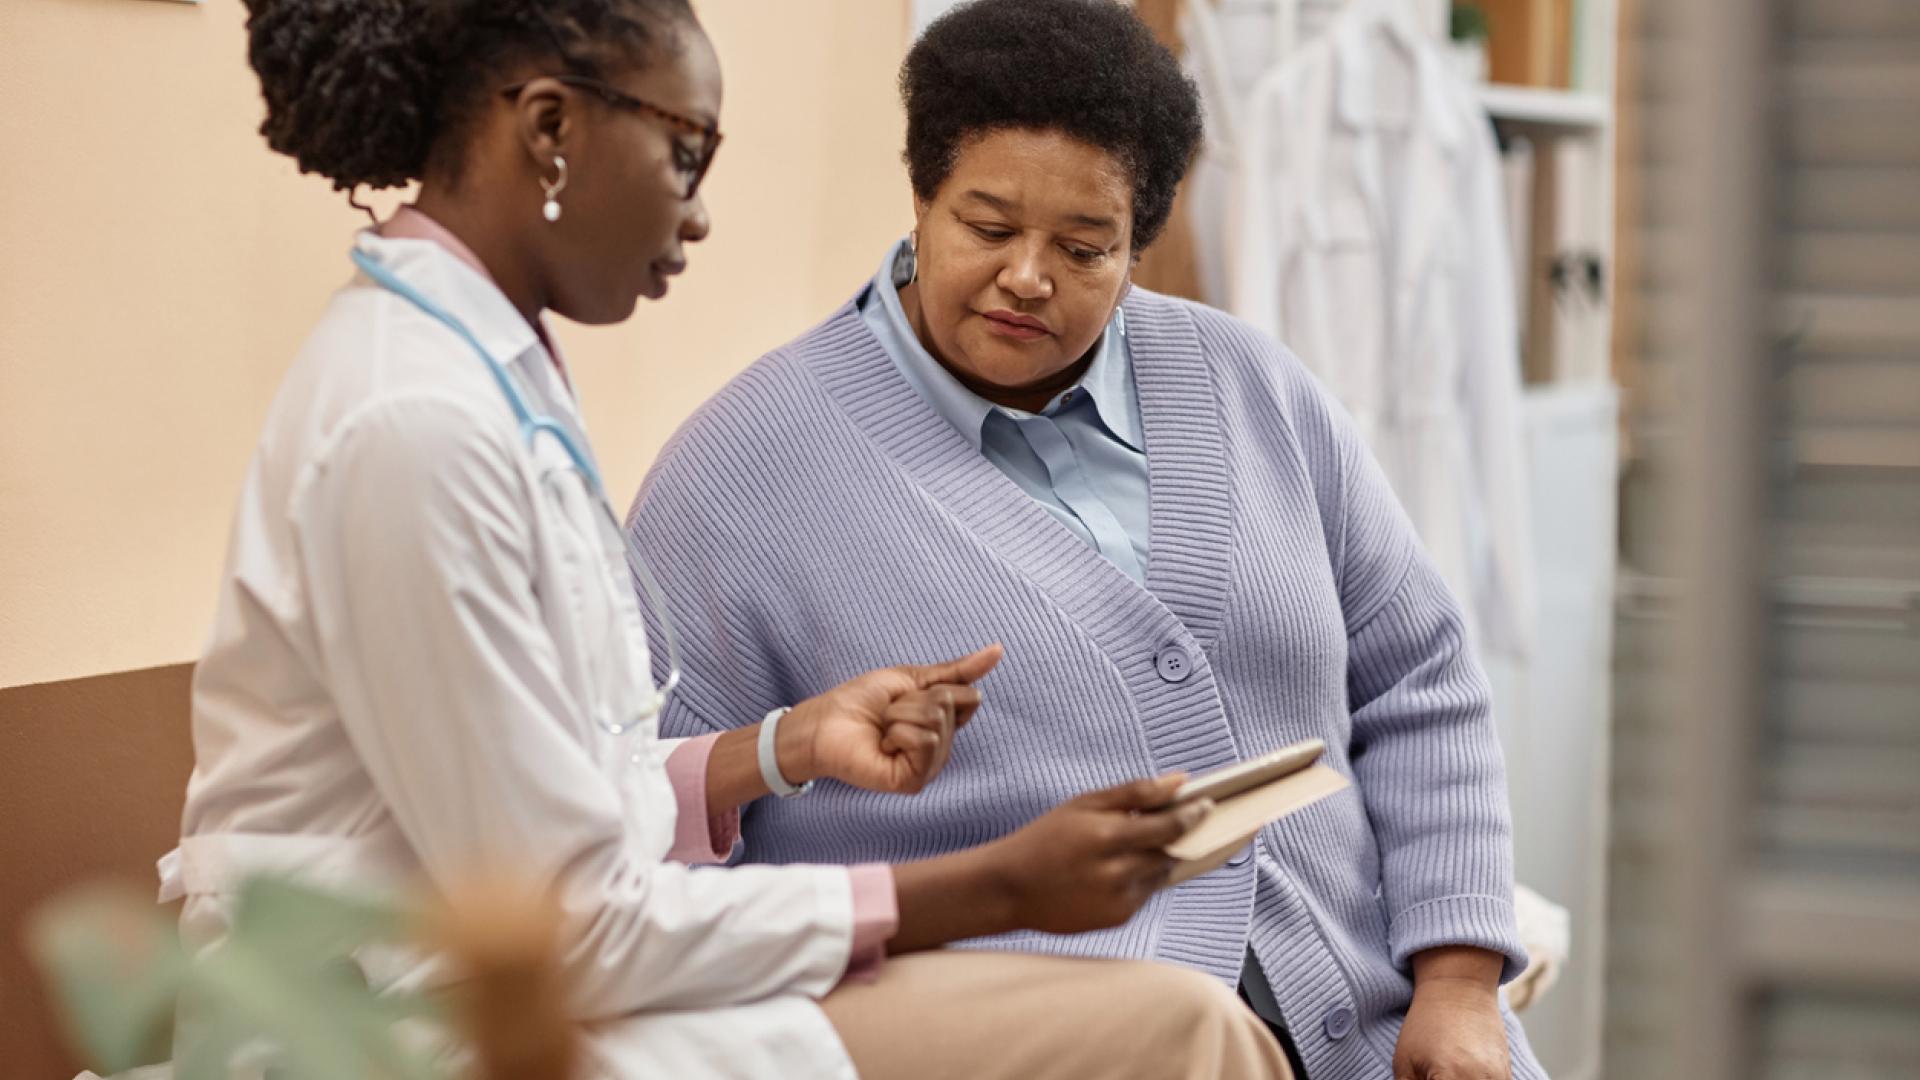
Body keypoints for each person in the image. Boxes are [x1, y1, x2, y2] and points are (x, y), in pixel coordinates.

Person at [165, 1, 1294, 1076]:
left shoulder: (477, 379)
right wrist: (997, 889)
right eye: (686, 154)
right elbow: (567, 923)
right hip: (402, 1029)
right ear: (552, 129)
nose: (700, 214)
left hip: (522, 980)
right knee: (1181, 1035)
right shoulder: (409, 427)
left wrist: (782, 748)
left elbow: (558, 805)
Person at [629, 2, 1544, 1079]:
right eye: (987, 226)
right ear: (920, 198)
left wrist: (1458, 982)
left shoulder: (1255, 390)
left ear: (1137, 246)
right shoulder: (739, 473)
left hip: (1379, 1031)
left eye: (1082, 247)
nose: (1028, 277)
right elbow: (641, 829)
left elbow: (1420, 683)